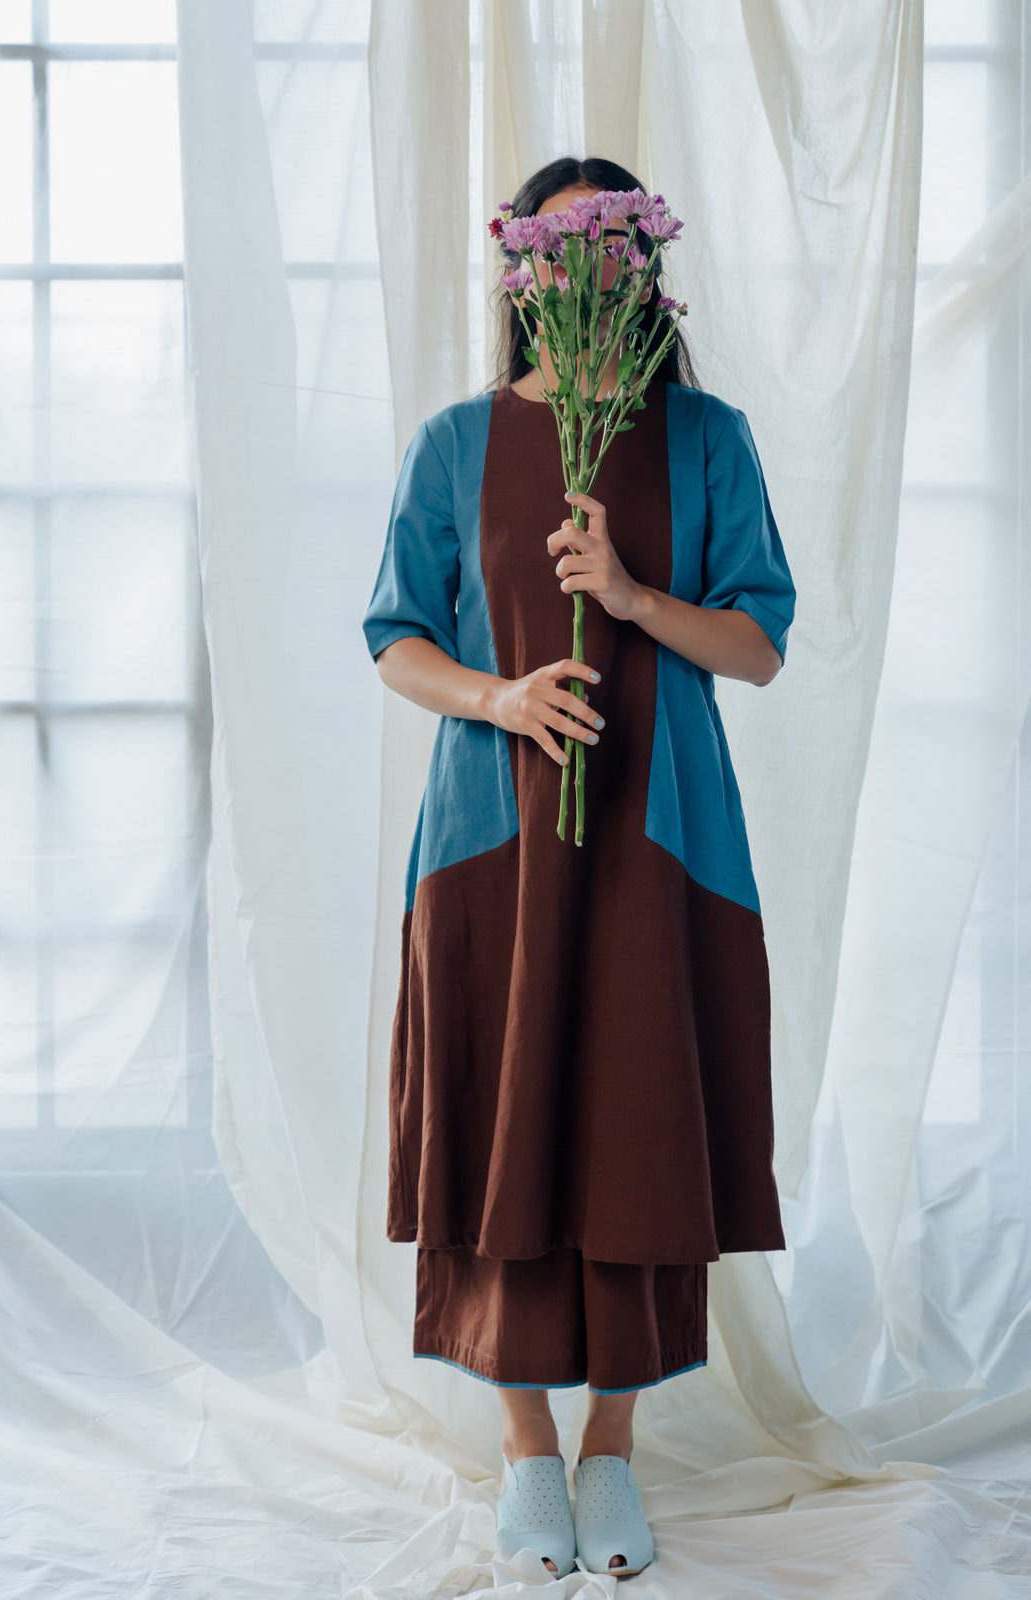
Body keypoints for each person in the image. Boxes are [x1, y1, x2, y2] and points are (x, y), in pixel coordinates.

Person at [361, 155, 796, 1580]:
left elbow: (759, 645)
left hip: (661, 842)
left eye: (609, 250)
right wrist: (499, 697)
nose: (582, 275)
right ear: (523, 275)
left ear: (643, 271)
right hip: (491, 847)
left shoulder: (709, 438)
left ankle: (612, 1448)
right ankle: (524, 1452)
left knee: (641, 1123)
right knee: (503, 1120)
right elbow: (394, 636)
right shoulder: (455, 442)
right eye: (554, 252)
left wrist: (628, 596)